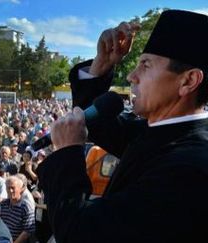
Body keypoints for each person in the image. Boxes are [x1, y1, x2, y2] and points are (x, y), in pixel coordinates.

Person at [37, 10, 208, 242]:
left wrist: (67, 153)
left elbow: (80, 233)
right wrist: (102, 64)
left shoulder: (190, 167)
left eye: (145, 65)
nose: (131, 76)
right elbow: (99, 123)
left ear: (188, 81)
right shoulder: (160, 131)